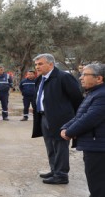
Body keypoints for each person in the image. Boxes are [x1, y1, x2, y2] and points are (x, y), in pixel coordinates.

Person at [61, 64, 105, 197]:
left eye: (85, 74)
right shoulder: (94, 93)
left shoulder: (102, 95)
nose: (80, 78)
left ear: (99, 78)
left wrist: (69, 132)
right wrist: (66, 127)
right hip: (94, 144)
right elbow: (81, 115)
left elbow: (90, 119)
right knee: (95, 178)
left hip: (99, 145)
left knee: (98, 179)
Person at [32, 54, 83, 184]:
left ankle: (61, 175)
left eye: (40, 64)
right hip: (44, 117)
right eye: (36, 64)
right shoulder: (40, 79)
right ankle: (54, 170)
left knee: (60, 147)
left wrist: (75, 119)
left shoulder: (63, 77)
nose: (37, 67)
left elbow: (77, 98)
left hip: (61, 119)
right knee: (50, 145)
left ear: (51, 64)